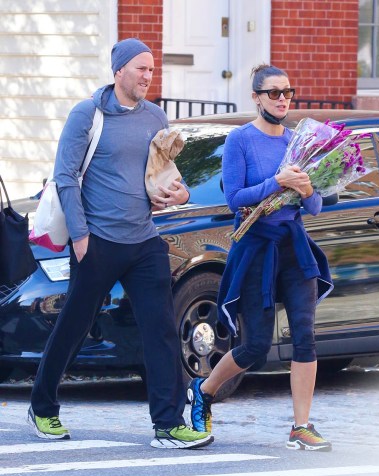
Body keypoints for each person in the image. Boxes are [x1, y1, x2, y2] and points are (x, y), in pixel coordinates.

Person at [27, 38, 213, 450]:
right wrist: (79, 236)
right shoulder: (87, 115)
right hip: (98, 241)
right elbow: (65, 177)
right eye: (141, 69)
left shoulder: (155, 116)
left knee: (162, 329)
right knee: (74, 326)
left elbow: (163, 174)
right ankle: (43, 406)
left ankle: (167, 424)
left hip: (144, 240)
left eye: (152, 69)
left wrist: (177, 194)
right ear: (119, 72)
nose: (149, 76)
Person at [187, 64, 333, 452]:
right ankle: (203, 390)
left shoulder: (299, 141)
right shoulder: (240, 141)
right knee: (255, 347)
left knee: (305, 335)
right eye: (274, 92)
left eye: (287, 92)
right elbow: (235, 198)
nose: (283, 98)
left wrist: (305, 189)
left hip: (293, 244)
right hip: (255, 246)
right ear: (255, 97)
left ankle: (301, 426)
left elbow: (316, 205)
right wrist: (278, 182)